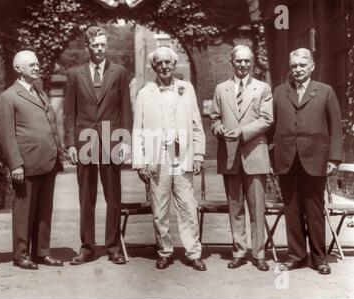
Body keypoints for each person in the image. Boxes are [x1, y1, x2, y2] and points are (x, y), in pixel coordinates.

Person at [132, 46, 206, 271]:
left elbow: (196, 124)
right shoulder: (145, 92)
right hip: (157, 156)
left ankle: (193, 252)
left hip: (182, 155)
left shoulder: (187, 89)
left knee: (187, 205)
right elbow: (138, 129)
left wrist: (199, 154)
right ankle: (164, 251)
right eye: (159, 63)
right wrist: (141, 162)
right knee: (160, 207)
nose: (164, 66)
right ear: (154, 67)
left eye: (168, 63)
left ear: (174, 65)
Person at [64, 26, 132, 265]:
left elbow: (126, 110)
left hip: (111, 140)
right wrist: (71, 144)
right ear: (87, 47)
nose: (100, 49)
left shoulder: (119, 72)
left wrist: (125, 141)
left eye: (103, 44)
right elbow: (69, 113)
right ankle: (87, 248)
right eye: (95, 45)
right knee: (86, 197)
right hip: (85, 142)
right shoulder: (75, 75)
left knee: (113, 197)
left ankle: (113, 247)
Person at [272, 48, 343, 275]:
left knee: (314, 210)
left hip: (315, 159)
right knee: (291, 209)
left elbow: (336, 128)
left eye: (302, 65)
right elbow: (271, 126)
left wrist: (334, 158)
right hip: (286, 159)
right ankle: (296, 256)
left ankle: (319, 258)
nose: (298, 69)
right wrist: (273, 153)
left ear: (312, 66)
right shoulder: (280, 92)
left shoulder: (325, 91)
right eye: (294, 66)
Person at [0, 50, 64, 270]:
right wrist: (15, 164)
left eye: (37, 64)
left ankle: (42, 252)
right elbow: (6, 134)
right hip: (25, 164)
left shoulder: (40, 92)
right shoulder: (9, 96)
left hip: (48, 161)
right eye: (31, 65)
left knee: (45, 210)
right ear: (18, 69)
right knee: (23, 211)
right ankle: (21, 254)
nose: (37, 67)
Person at [210, 45, 273, 271]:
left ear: (252, 62)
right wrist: (218, 129)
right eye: (239, 61)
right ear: (232, 62)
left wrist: (242, 132)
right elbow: (214, 118)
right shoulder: (221, 89)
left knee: (257, 208)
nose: (243, 65)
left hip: (255, 154)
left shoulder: (262, 88)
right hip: (229, 155)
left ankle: (259, 254)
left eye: (247, 61)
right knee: (235, 207)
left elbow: (267, 119)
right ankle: (239, 251)